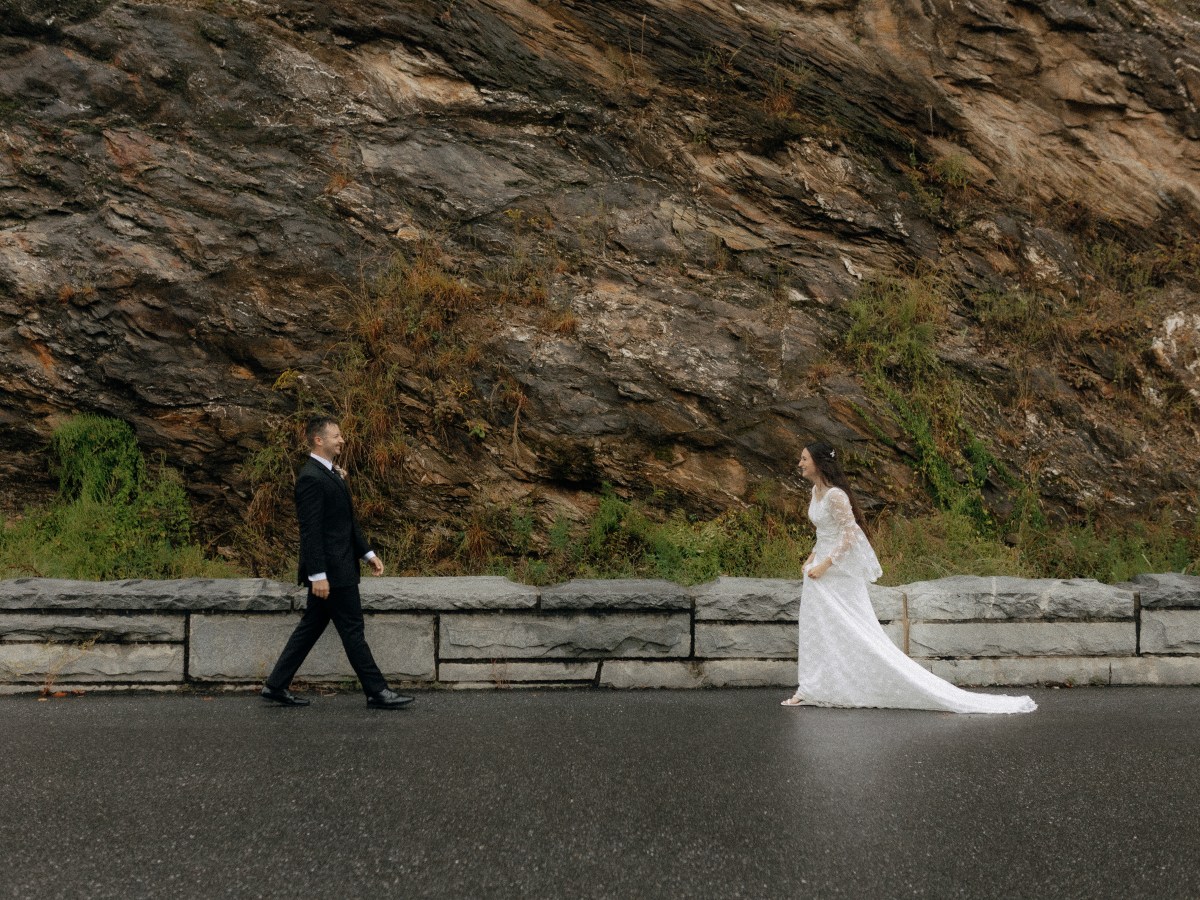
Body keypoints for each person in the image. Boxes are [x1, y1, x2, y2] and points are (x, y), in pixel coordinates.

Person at [782, 441, 1036, 714]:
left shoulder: (836, 496)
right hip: (819, 569)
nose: (800, 463)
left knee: (856, 630)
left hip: (837, 573)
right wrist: (812, 557)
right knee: (818, 629)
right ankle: (812, 687)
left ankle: (864, 682)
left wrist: (827, 564)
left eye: (804, 459)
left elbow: (850, 533)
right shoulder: (815, 492)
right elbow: (825, 531)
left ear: (819, 463)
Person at [261, 415, 414, 710]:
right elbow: (311, 530)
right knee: (353, 630)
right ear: (319, 440)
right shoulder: (310, 477)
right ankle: (377, 691)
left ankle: (275, 685)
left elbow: (345, 523)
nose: (342, 440)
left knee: (310, 628)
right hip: (332, 572)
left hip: (340, 567)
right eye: (337, 436)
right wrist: (318, 574)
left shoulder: (333, 474)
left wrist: (368, 554)